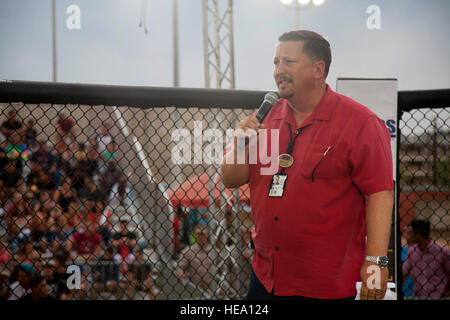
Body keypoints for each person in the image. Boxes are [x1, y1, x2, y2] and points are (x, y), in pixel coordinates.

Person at [221, 30, 394, 300]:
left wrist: (376, 263)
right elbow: (230, 179)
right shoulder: (263, 119)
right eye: (276, 63)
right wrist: (240, 144)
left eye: (288, 62)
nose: (279, 70)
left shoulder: (360, 123)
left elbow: (380, 194)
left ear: (318, 69)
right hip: (267, 278)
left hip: (327, 284)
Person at [402, 219, 450, 298]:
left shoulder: (442, 251)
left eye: (410, 233)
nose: (406, 236)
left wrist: (447, 292)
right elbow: (404, 273)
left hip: (438, 295)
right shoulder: (411, 251)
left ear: (418, 234)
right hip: (418, 296)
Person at [176, 224, 218, 297]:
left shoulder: (215, 251)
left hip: (211, 290)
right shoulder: (188, 251)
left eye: (202, 234)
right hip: (194, 290)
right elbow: (180, 267)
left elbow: (224, 268)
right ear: (194, 235)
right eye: (198, 234)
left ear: (207, 235)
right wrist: (181, 274)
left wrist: (221, 287)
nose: (200, 237)